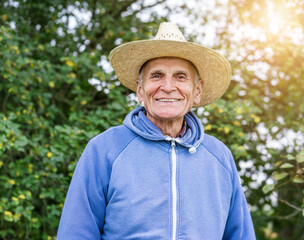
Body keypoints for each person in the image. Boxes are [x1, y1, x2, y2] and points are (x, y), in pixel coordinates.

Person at [57, 22, 256, 240]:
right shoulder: (104, 149)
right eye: (157, 75)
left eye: (180, 76)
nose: (168, 86)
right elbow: (76, 233)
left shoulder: (220, 158)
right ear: (140, 90)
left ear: (197, 91)